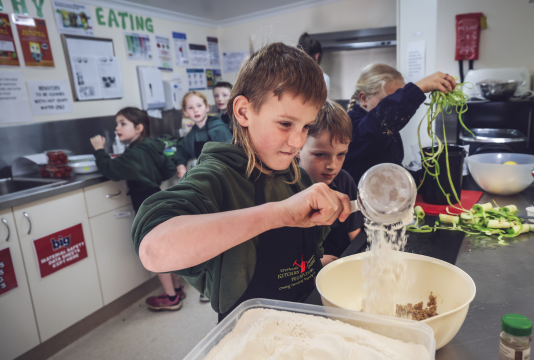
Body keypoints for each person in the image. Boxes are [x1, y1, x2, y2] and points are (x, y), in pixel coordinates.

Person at [132, 42, 351, 322]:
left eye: (306, 126)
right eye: (285, 124)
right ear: (244, 111)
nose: (298, 142)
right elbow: (154, 251)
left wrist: (318, 264)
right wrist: (280, 214)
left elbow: (301, 257)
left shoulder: (299, 177)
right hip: (248, 334)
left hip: (304, 319)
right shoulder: (216, 176)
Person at [90, 107, 184, 311]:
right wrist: (150, 178)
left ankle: (171, 298)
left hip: (145, 205)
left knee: (155, 252)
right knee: (164, 248)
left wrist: (99, 149)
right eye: (116, 124)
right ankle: (176, 289)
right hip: (156, 200)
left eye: (123, 123)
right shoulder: (150, 147)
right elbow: (168, 169)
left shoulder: (134, 154)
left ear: (139, 128)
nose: (117, 128)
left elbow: (110, 170)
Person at [344, 64, 457, 184]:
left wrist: (421, 178)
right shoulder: (350, 127)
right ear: (363, 99)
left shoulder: (388, 129)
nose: (394, 106)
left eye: (397, 98)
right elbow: (377, 124)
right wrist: (418, 88)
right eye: (388, 101)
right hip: (357, 200)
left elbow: (393, 172)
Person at [298, 100, 363, 260]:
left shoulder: (345, 182)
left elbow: (355, 236)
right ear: (298, 147)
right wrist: (314, 265)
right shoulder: (286, 186)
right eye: (320, 154)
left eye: (341, 154)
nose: (332, 166)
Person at [173, 91, 232, 179]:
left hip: (222, 177)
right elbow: (182, 149)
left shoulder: (219, 128)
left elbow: (230, 157)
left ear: (207, 107)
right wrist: (180, 165)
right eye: (190, 107)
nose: (195, 110)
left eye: (199, 106)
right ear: (185, 112)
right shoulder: (194, 131)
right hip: (206, 176)